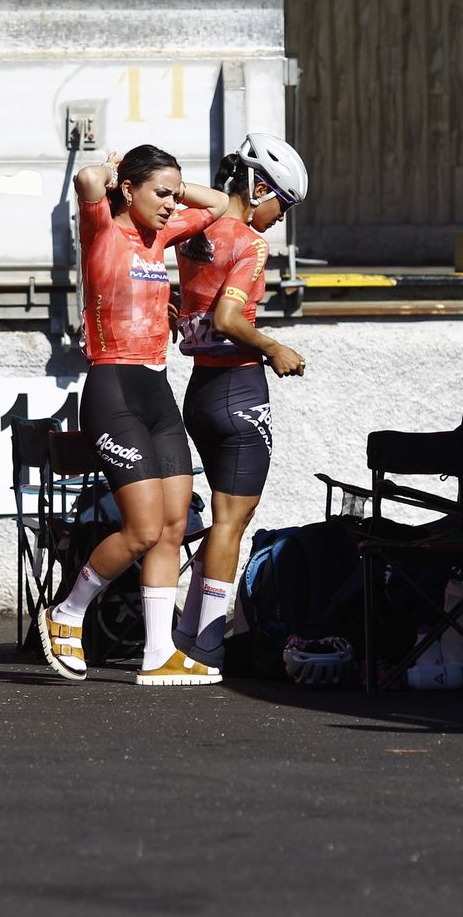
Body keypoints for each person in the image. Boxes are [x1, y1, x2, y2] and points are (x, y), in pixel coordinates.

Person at [38, 144, 232, 686]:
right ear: (127, 191)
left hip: (157, 389)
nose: (172, 205)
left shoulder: (159, 236)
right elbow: (85, 178)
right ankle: (67, 613)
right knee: (143, 528)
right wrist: (113, 169)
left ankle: (158, 651)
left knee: (173, 524)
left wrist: (173, 186)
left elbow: (218, 205)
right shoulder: (103, 228)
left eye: (175, 195)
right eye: (161, 194)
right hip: (113, 387)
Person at [170, 133, 310, 668]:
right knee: (233, 520)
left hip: (200, 391)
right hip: (238, 389)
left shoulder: (196, 230)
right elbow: (229, 321)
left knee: (224, 518)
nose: (280, 217)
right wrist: (274, 345)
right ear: (259, 187)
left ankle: (189, 633)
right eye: (283, 202)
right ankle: (207, 644)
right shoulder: (250, 245)